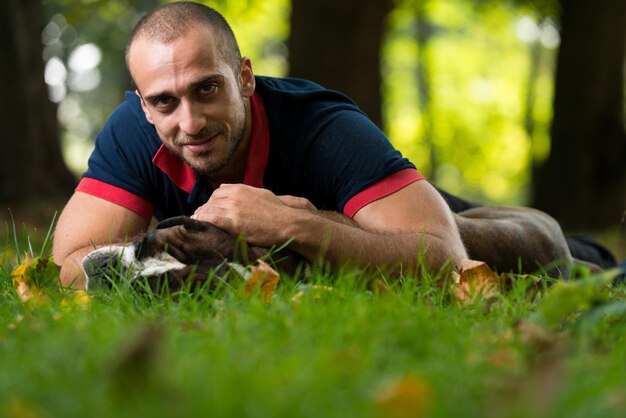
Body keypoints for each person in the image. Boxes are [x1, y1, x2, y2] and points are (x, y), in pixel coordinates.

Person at [52, 1, 614, 288]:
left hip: (410, 216)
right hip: (355, 233)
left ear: (244, 79)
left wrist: (292, 224)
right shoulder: (135, 128)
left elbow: (444, 256)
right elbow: (69, 261)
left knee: (548, 252)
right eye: (166, 102)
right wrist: (158, 262)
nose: (191, 122)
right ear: (145, 104)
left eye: (208, 89)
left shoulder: (324, 127)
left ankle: (603, 261)